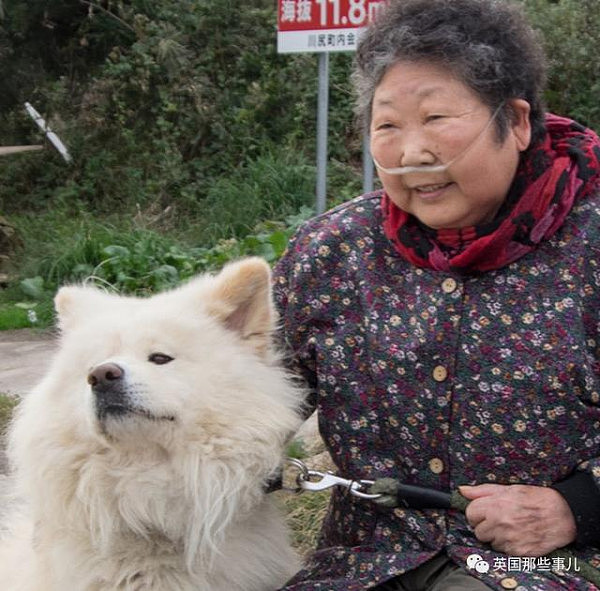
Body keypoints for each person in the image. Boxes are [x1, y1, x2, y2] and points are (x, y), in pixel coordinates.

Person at [272, 0, 600, 589]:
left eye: (437, 118)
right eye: (388, 125)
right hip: (363, 563)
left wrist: (577, 504)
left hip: (549, 565)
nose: (411, 153)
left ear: (517, 122)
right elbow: (249, 397)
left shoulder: (591, 243)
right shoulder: (331, 252)